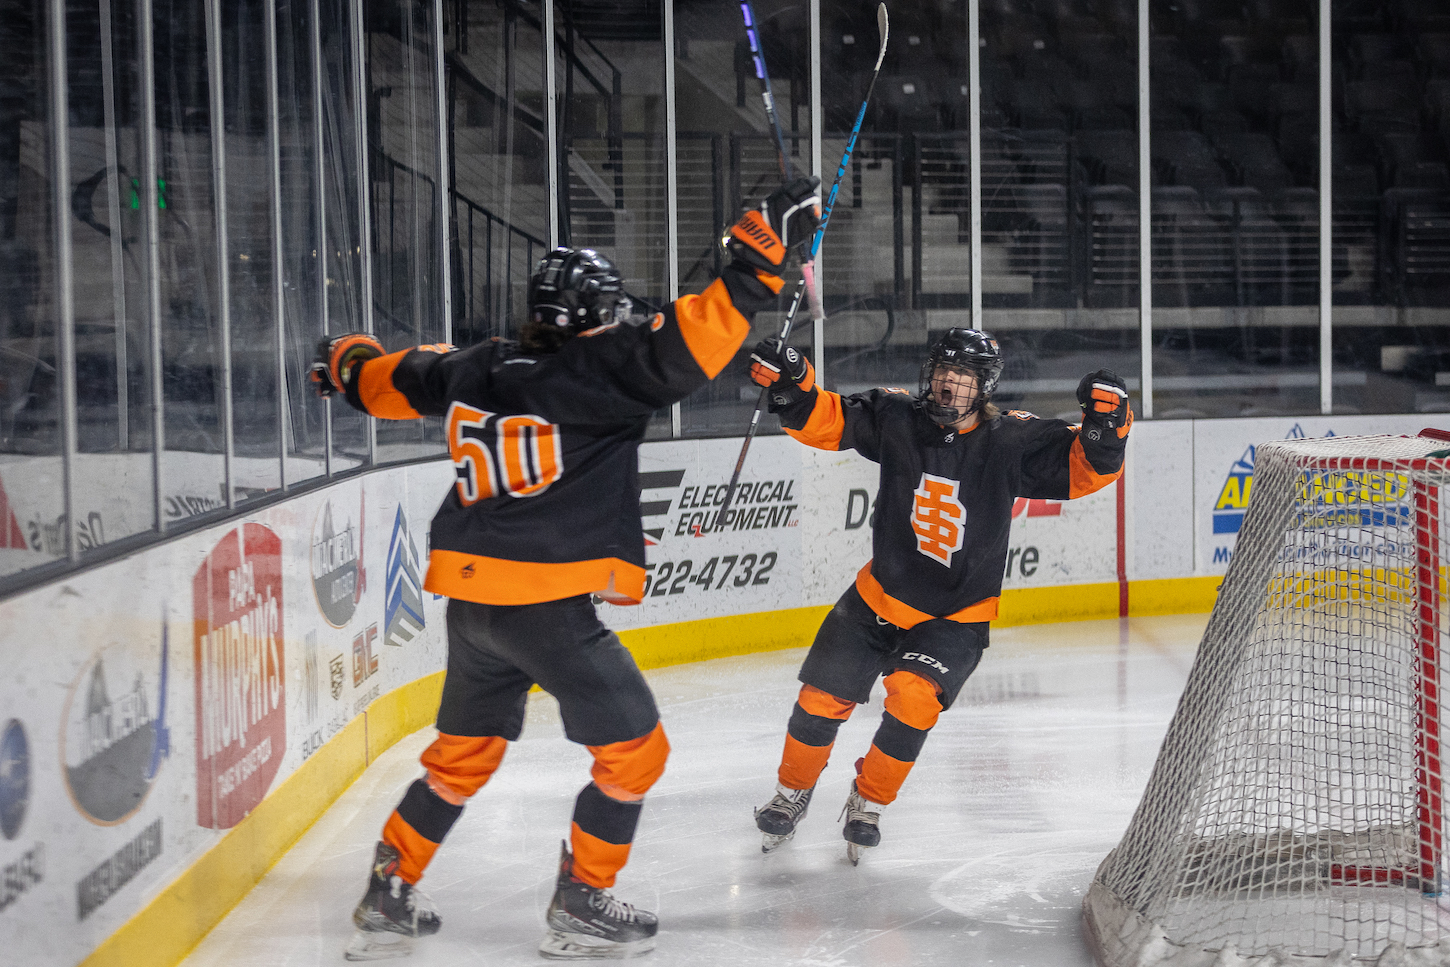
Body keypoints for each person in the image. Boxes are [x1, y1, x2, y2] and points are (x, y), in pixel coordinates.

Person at [312, 176, 820, 960]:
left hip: (473, 608)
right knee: (636, 751)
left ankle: (388, 889)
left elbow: (384, 378)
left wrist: (345, 363)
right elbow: (691, 341)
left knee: (460, 755)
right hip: (543, 604)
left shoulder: (475, 366)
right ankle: (583, 898)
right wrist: (758, 267)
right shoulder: (604, 369)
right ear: (595, 318)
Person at [744, 328, 1131, 863]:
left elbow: (1088, 470)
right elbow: (824, 419)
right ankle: (792, 793)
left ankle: (868, 800)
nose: (949, 384)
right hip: (876, 597)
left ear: (985, 387)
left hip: (954, 616)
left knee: (913, 697)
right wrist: (792, 383)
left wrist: (1107, 428)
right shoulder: (897, 416)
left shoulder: (1011, 440)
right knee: (819, 701)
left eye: (964, 377)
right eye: (943, 373)